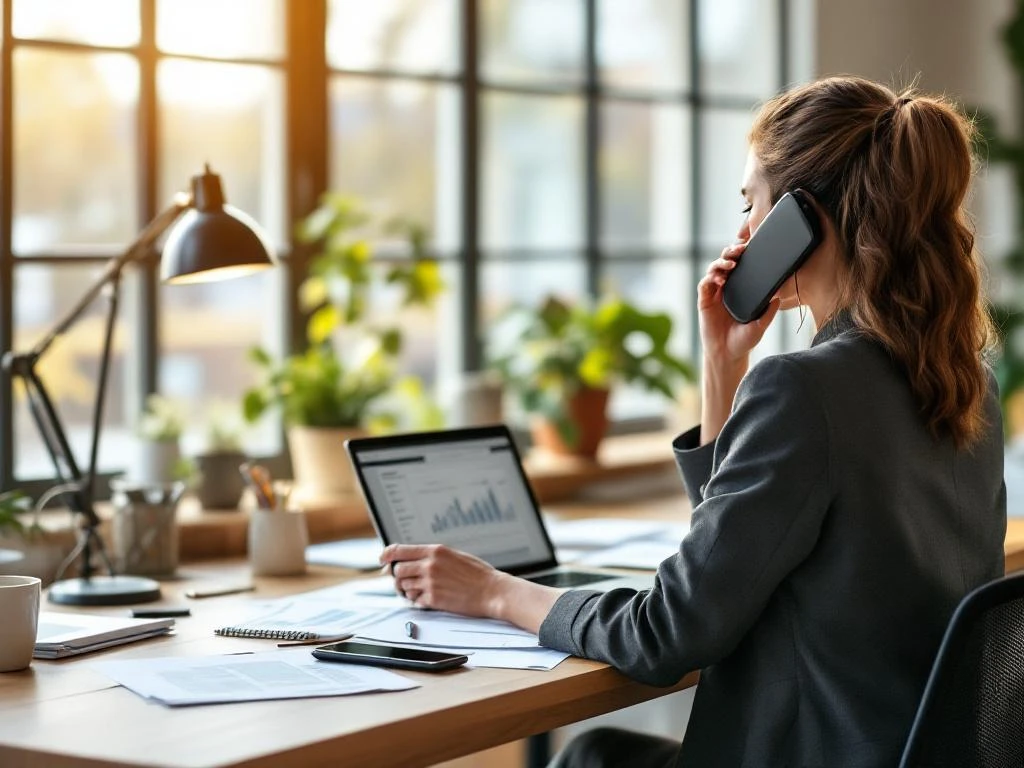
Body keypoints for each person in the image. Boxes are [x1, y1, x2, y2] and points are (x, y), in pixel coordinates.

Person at [380, 75, 1008, 767]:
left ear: (799, 218)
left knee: (591, 755)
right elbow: (734, 562)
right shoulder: (963, 381)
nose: (742, 232)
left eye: (752, 206)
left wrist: (494, 592)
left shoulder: (808, 388)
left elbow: (668, 634)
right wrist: (721, 367)